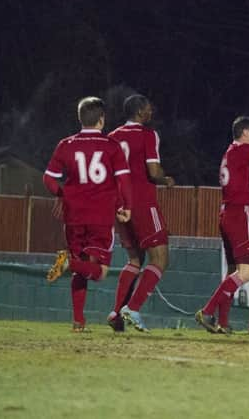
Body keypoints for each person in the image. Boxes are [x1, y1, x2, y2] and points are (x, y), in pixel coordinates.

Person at [43, 96, 132, 332]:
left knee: (80, 266)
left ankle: (78, 321)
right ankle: (66, 265)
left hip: (73, 216)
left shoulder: (65, 144)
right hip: (100, 216)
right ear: (102, 119)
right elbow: (123, 179)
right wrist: (126, 206)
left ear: (80, 118)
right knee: (100, 272)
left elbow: (48, 178)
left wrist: (63, 195)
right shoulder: (111, 146)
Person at [194, 116, 249, 333]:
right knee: (246, 273)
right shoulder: (243, 149)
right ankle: (207, 312)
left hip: (226, 213)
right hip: (239, 213)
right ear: (245, 133)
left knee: (233, 271)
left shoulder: (229, 152)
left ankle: (223, 323)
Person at [106, 94, 175, 332]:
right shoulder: (148, 135)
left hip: (120, 205)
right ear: (139, 112)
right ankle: (132, 308)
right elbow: (153, 171)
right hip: (143, 202)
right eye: (148, 108)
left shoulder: (112, 137)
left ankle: (116, 312)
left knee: (135, 260)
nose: (151, 112)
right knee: (161, 258)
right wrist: (165, 179)